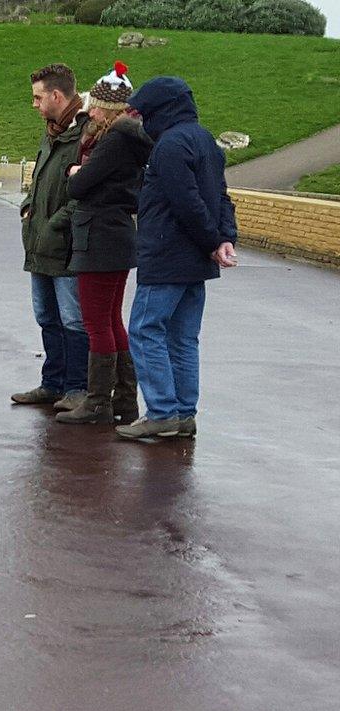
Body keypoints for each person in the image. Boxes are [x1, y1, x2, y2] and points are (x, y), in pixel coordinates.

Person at [118, 76, 238, 441]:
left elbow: (186, 202)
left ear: (160, 111)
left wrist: (213, 240)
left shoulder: (169, 145)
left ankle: (161, 412)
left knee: (145, 329)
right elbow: (220, 197)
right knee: (184, 338)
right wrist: (223, 239)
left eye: (145, 112)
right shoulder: (206, 141)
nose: (142, 120)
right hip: (195, 261)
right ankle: (185, 414)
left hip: (166, 254)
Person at [53, 63, 151, 427]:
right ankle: (124, 399)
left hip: (99, 237)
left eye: (95, 106)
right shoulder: (131, 140)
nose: (89, 111)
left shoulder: (113, 141)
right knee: (111, 320)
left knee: (97, 322)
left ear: (109, 110)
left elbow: (79, 186)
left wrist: (75, 172)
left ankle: (98, 403)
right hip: (117, 235)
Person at [14, 63, 90, 408]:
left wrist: (56, 223)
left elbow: (86, 192)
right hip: (40, 244)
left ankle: (77, 389)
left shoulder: (85, 136)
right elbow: (39, 179)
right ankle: (52, 383)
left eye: (38, 97)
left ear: (57, 95)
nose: (34, 104)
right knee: (46, 315)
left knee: (73, 319)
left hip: (67, 246)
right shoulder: (51, 133)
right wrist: (28, 208)